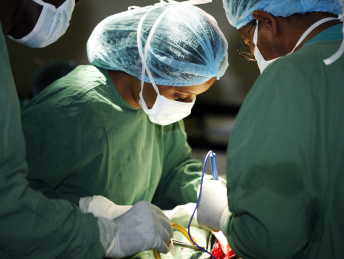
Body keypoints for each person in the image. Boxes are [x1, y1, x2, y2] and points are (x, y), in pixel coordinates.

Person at [21, 0, 228, 233]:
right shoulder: (73, 107)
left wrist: (207, 193)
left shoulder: (155, 105)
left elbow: (172, 171)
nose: (187, 105)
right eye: (181, 95)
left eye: (195, 96)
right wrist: (95, 216)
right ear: (146, 65)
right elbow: (16, 199)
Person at [0, 1, 173, 259]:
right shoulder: (76, 106)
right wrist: (99, 229)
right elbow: (10, 211)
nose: (68, 7)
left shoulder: (155, 110)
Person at [197, 0, 344, 259]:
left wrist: (222, 216)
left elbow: (269, 240)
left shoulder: (291, 77)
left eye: (249, 44)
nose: (254, 54)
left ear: (268, 22)